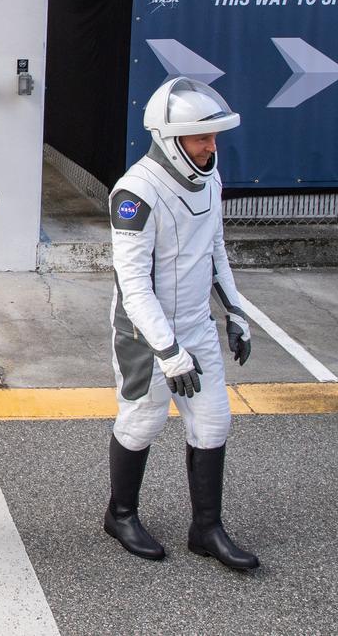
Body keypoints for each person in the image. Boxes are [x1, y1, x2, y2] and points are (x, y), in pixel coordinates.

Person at [103, 76, 259, 570]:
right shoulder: (135, 192)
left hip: (196, 325)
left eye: (214, 137)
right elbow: (133, 286)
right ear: (171, 141)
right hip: (145, 335)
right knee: (142, 421)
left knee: (213, 423)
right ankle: (120, 514)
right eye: (200, 137)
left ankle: (206, 528)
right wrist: (169, 353)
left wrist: (235, 310)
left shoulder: (210, 175)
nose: (211, 146)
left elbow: (215, 250)